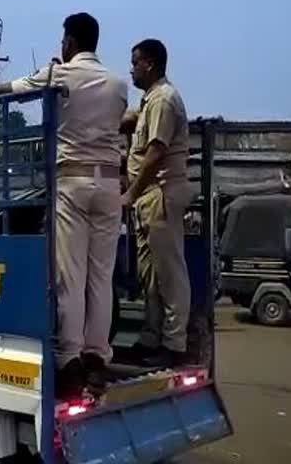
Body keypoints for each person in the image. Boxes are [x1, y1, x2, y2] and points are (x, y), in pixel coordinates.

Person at [0, 13, 127, 397]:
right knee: (101, 277)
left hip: (73, 180)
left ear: (71, 42)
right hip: (109, 182)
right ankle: (97, 358)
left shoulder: (60, 76)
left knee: (70, 277)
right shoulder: (119, 84)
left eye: (63, 39)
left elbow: (7, 90)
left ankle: (71, 359)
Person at [121, 39, 194, 368]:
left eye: (135, 62)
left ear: (149, 64)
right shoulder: (150, 100)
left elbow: (155, 152)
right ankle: (151, 338)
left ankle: (174, 343)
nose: (131, 68)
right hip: (149, 197)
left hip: (160, 193)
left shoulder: (163, 100)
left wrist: (131, 192)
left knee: (169, 273)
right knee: (149, 275)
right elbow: (132, 120)